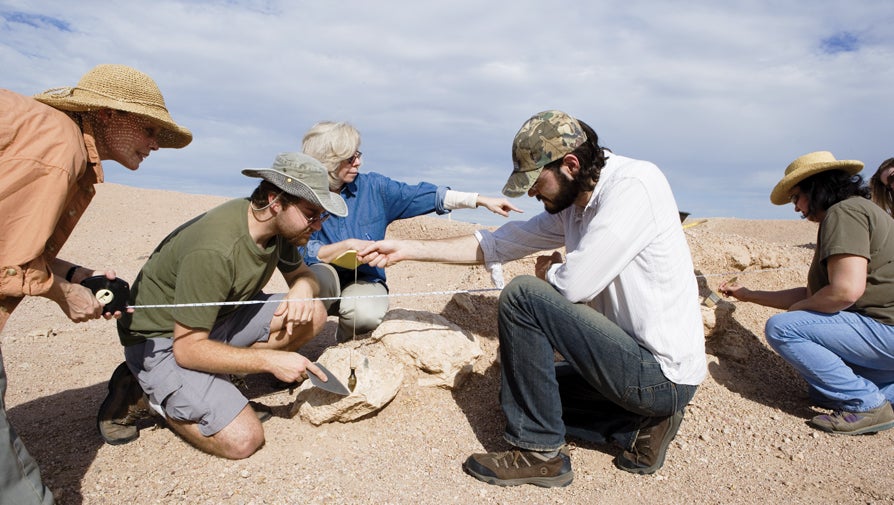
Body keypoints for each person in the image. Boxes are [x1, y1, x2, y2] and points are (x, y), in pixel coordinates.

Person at [359, 110, 705, 486]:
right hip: (630, 363)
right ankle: (640, 427)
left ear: (570, 165)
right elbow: (499, 243)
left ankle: (540, 454)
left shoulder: (634, 186)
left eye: (536, 181)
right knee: (518, 396)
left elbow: (575, 285)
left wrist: (548, 272)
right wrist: (407, 249)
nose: (531, 192)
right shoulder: (575, 205)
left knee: (524, 295)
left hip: (659, 375)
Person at [1, 64, 191, 505]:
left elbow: (12, 239)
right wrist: (63, 294)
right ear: (107, 115)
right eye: (149, 129)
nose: (155, 145)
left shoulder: (46, 133)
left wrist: (76, 275)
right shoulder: (58, 147)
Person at [97, 152, 346, 459]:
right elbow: (187, 349)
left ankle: (217, 383)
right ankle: (145, 394)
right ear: (275, 201)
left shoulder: (277, 228)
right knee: (244, 440)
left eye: (322, 215)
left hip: (215, 321)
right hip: (162, 341)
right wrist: (271, 362)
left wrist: (303, 288)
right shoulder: (216, 250)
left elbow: (304, 275)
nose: (318, 226)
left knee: (313, 312)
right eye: (311, 214)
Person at [720, 151, 894, 435]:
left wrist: (797, 312)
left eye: (796, 197)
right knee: (821, 388)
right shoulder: (855, 211)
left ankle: (867, 404)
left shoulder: (844, 213)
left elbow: (845, 292)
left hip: (886, 331)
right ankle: (881, 393)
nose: (797, 208)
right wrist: (748, 294)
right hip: (883, 336)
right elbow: (815, 294)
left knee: (784, 329)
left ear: (817, 187)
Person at [300, 121, 522, 340]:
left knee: (364, 313)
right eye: (350, 158)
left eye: (358, 154)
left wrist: (479, 200)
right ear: (328, 161)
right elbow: (290, 248)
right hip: (320, 275)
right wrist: (333, 250)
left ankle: (343, 350)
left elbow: (422, 195)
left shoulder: (374, 187)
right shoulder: (299, 195)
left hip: (366, 278)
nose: (358, 162)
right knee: (309, 291)